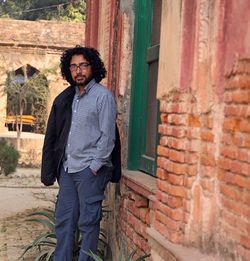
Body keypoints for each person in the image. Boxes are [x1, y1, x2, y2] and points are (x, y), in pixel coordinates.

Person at [41, 46, 118, 261]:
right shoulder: (69, 98)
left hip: (90, 171)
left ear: (93, 67)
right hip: (68, 170)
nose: (79, 71)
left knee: (88, 223)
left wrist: (94, 167)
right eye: (73, 66)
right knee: (64, 221)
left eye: (83, 65)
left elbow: (107, 137)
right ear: (69, 70)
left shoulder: (103, 97)